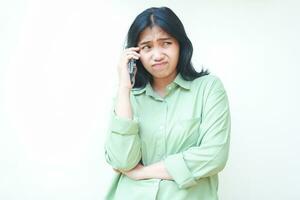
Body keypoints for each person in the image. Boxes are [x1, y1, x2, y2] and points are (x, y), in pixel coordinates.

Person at [104, 6, 231, 200]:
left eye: (166, 43)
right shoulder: (128, 98)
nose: (157, 55)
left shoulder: (208, 88)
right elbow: (122, 161)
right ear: (135, 53)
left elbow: (214, 156)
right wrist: (123, 88)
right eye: (147, 47)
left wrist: (143, 172)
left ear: (180, 45)